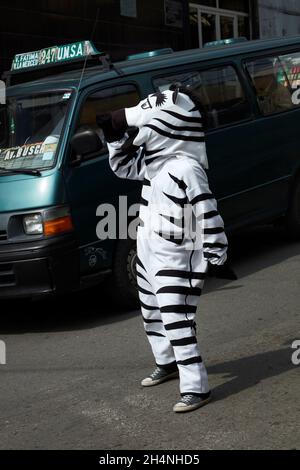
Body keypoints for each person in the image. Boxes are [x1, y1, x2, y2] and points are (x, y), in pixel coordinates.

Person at [97, 85, 236, 413]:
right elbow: (122, 167)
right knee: (151, 310)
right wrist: (115, 136)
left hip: (176, 253)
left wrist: (216, 249)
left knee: (177, 317)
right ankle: (168, 361)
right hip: (147, 249)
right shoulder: (154, 163)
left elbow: (206, 210)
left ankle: (196, 386)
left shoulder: (187, 168)